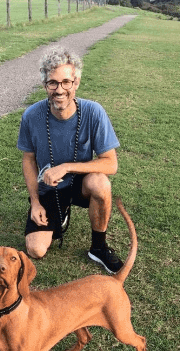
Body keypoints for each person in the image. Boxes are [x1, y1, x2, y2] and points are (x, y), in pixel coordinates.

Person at [17, 46, 124, 273]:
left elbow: (110, 163)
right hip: (49, 187)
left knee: (100, 182)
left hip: (80, 183)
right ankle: (60, 211)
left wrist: (65, 167)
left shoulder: (94, 112)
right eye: (52, 83)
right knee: (36, 250)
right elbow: (28, 160)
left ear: (76, 83)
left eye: (66, 82)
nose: (59, 90)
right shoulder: (31, 116)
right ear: (45, 85)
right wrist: (35, 202)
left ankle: (98, 247)